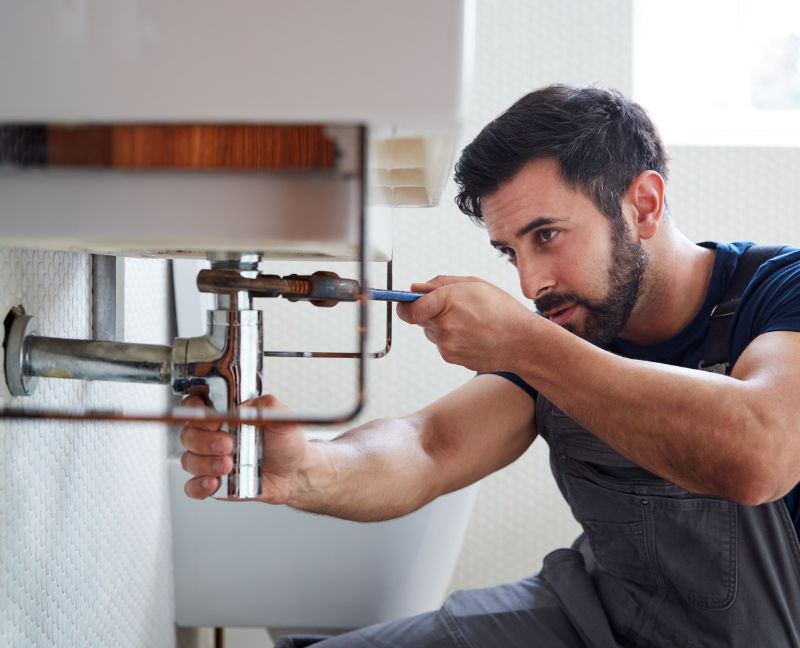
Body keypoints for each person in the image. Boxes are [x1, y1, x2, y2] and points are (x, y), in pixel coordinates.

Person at [179, 85, 800, 647]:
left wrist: (526, 341)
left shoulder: (782, 291)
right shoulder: (569, 327)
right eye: (510, 252)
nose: (531, 282)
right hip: (589, 616)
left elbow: (761, 455)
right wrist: (311, 468)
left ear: (642, 204)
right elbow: (431, 444)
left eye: (547, 235)